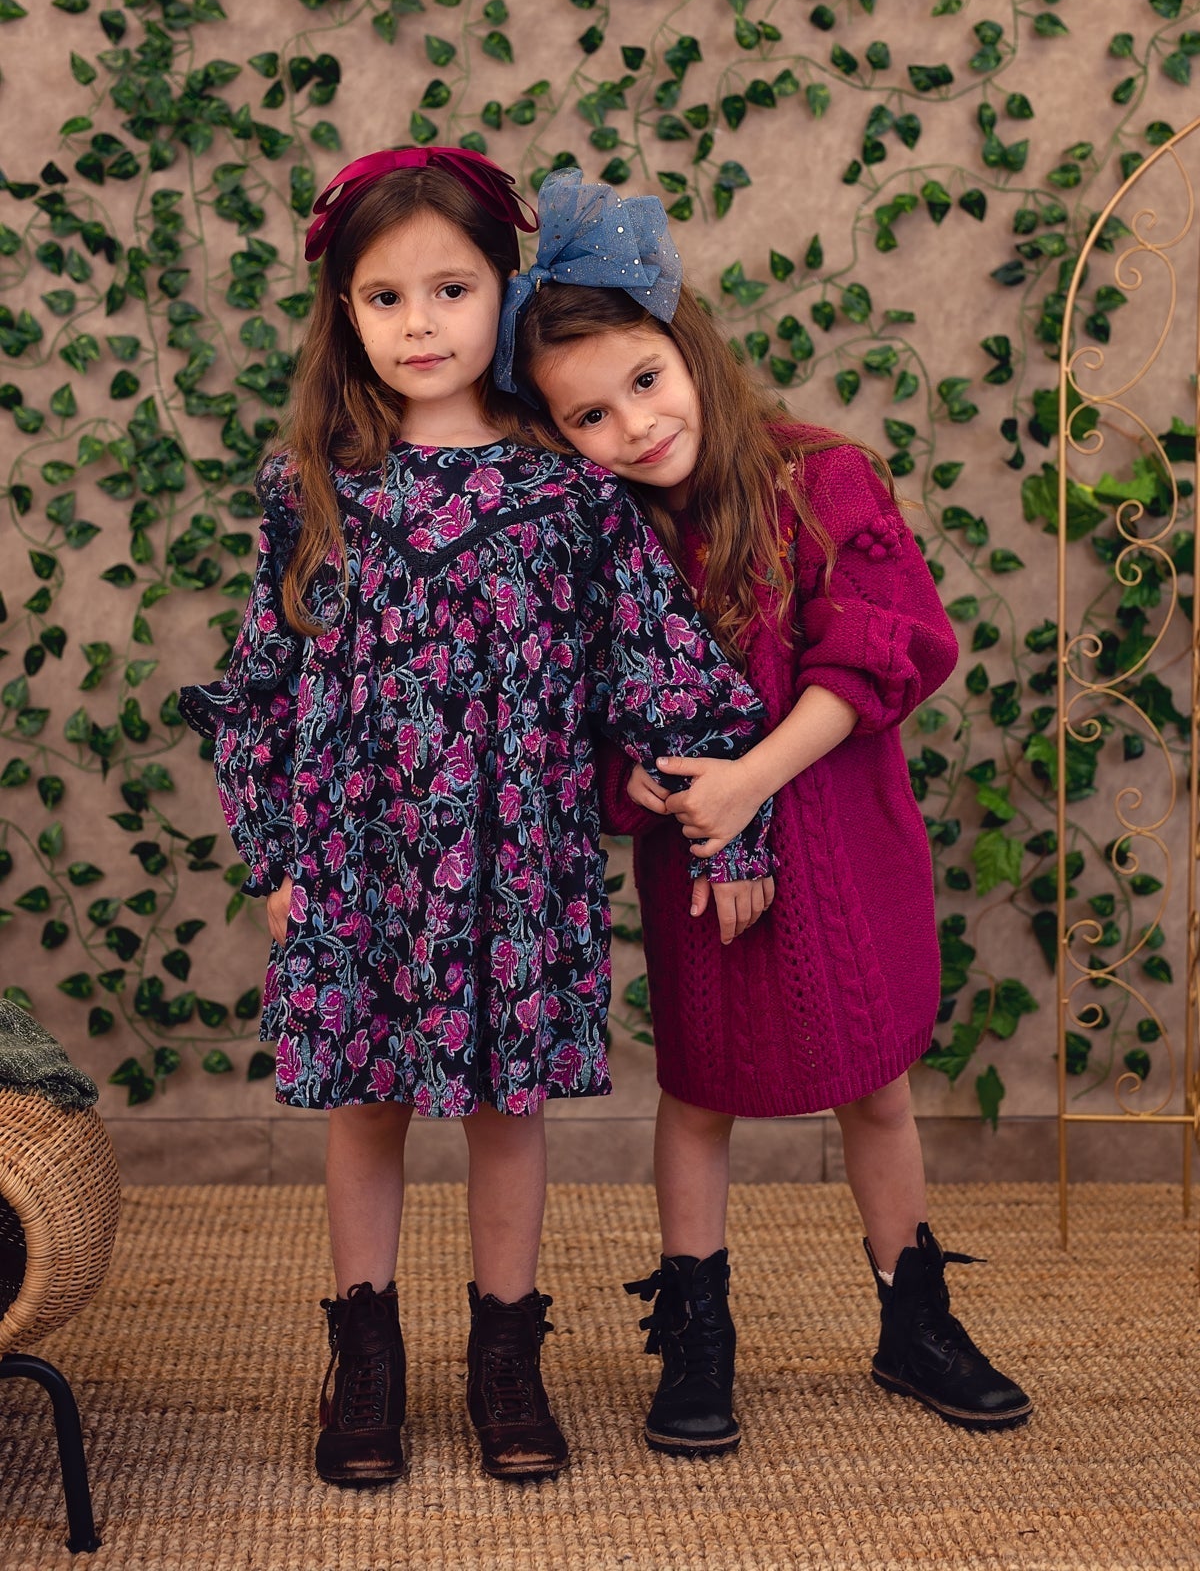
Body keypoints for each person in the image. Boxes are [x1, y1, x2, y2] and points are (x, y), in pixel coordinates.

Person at [178, 147, 776, 1489]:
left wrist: (730, 821)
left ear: (506, 291)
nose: (422, 323)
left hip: (516, 866)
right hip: (358, 860)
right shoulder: (311, 492)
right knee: (368, 1108)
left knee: (510, 1113)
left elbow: (660, 670)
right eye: (384, 298)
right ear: (346, 316)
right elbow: (263, 688)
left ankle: (507, 1356)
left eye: (452, 289)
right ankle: (366, 1360)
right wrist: (275, 856)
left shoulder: (570, 495)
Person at [499, 167, 1033, 1457]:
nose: (634, 426)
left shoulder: (820, 478)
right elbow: (585, 708)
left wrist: (749, 780)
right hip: (699, 866)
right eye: (588, 417)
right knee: (701, 1098)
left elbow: (880, 650)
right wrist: (643, 777)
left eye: (645, 381)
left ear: (688, 348)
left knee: (878, 1090)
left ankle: (915, 1321)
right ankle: (699, 1338)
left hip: (843, 841)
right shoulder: (604, 541)